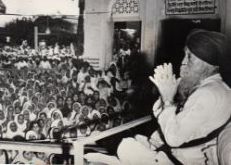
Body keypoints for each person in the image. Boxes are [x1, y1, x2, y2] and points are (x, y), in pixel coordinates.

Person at [84, 29, 231, 165]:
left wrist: (167, 99)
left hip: (180, 160)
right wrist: (166, 96)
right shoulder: (217, 88)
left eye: (190, 57)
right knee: (134, 143)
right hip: (178, 154)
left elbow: (173, 138)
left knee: (127, 147)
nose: (183, 62)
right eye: (185, 55)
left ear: (207, 62)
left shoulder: (208, 94)